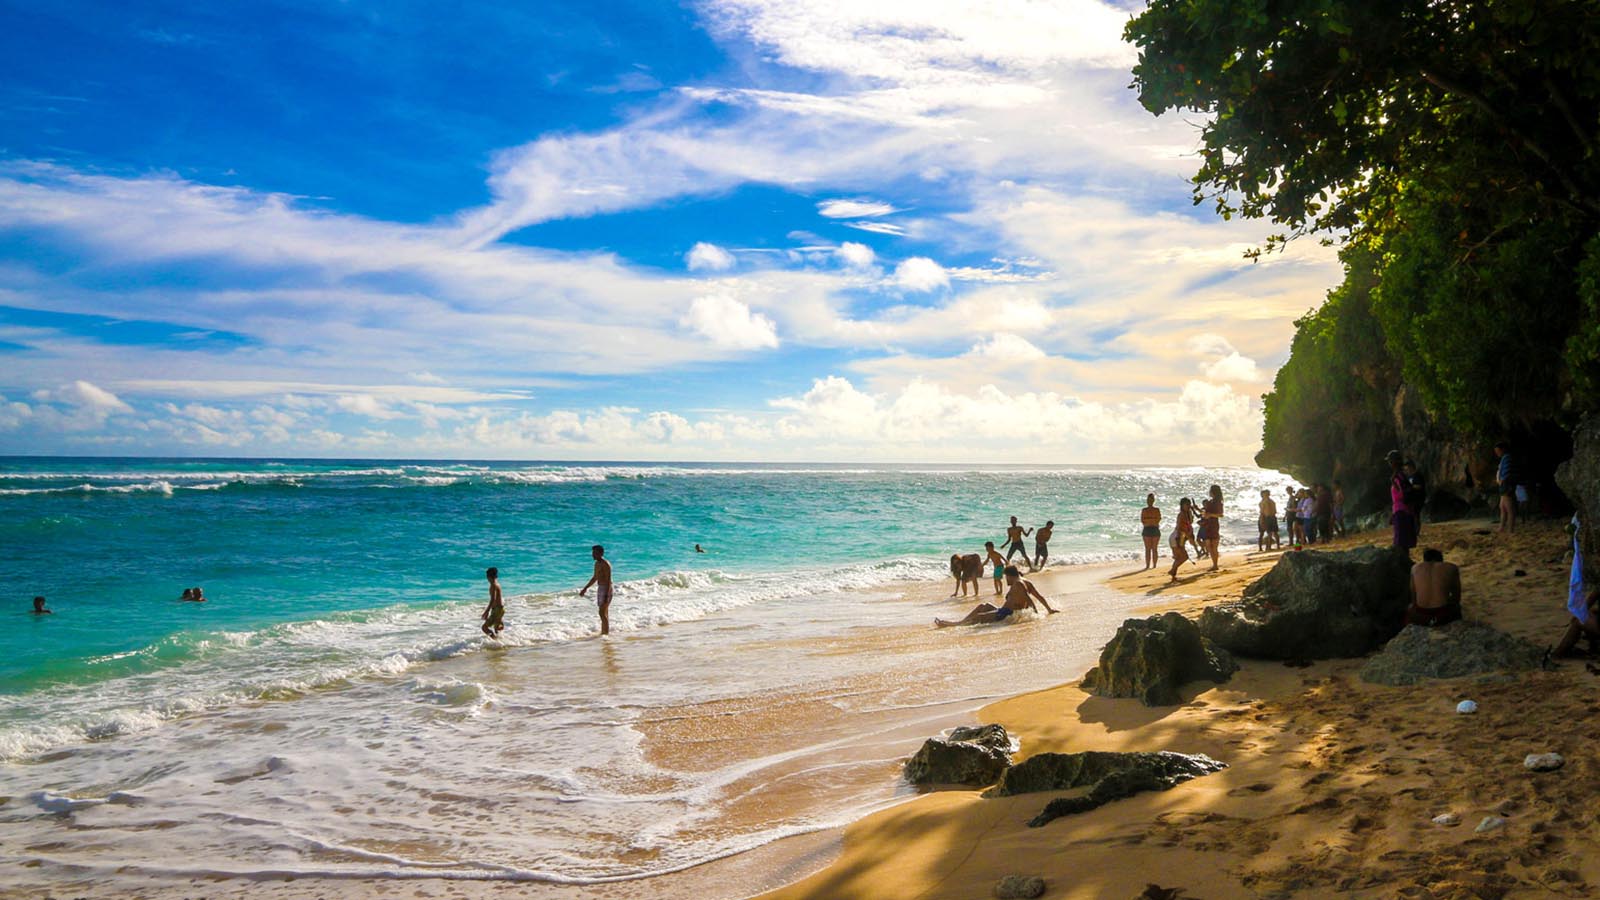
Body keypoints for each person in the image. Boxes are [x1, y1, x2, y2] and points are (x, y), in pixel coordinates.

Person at [935, 566, 1058, 627]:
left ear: (1010, 576)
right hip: (1002, 610)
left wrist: (1035, 615)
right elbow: (1039, 596)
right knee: (983, 606)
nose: (1006, 580)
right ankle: (959, 622)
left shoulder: (1018, 584)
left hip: (1006, 614)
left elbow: (1029, 599)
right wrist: (1049, 609)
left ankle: (955, 625)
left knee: (979, 616)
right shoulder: (1026, 581)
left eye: (1006, 577)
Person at [1405, 548, 1462, 626]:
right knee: (1457, 608)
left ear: (1425, 560)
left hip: (1421, 614)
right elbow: (1456, 596)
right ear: (1441, 559)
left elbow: (1413, 597)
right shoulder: (1451, 567)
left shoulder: (1415, 568)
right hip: (1442, 613)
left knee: (1409, 609)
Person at [1388, 451, 1417, 556]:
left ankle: (1402, 565)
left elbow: (1400, 495)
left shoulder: (1397, 477)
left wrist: (1393, 483)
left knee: (1400, 542)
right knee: (1404, 542)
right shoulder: (1403, 475)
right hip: (1406, 510)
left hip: (1400, 512)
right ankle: (1404, 563)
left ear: (1392, 463)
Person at [579, 545, 613, 636]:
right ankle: (604, 633)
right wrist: (585, 588)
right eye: (593, 553)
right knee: (604, 612)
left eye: (595, 553)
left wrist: (606, 594)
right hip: (600, 588)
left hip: (606, 588)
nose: (593, 555)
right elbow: (595, 578)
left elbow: (609, 580)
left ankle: (605, 634)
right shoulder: (597, 564)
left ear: (601, 553)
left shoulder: (606, 564)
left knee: (602, 612)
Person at [1168, 498, 1194, 582]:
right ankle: (1172, 571)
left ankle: (1173, 575)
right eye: (1186, 505)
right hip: (1177, 536)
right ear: (1182, 505)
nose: (1188, 506)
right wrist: (1181, 540)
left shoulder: (1187, 514)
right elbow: (1180, 528)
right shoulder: (1181, 515)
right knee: (1183, 557)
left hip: (1180, 536)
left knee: (1179, 557)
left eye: (1189, 505)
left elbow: (1190, 523)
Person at [1494, 442, 1517, 534]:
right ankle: (1502, 527)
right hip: (1503, 485)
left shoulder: (1507, 458)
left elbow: (1507, 471)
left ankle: (1510, 529)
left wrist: (1502, 480)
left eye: (1498, 451)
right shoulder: (1504, 458)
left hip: (1506, 485)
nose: (1497, 453)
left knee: (1509, 507)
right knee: (1502, 507)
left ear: (1503, 449)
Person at [1199, 485, 1223, 571]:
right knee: (1209, 544)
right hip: (1207, 524)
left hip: (1213, 524)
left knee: (1213, 545)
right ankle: (1214, 563)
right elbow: (1205, 512)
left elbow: (1221, 514)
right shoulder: (1211, 502)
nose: (1209, 492)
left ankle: (1215, 565)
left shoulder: (1218, 502)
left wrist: (1210, 515)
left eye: (1211, 491)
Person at [1403, 461, 1427, 539]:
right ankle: (1413, 531)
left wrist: (1410, 487)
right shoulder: (1410, 476)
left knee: (1416, 515)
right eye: (1405, 469)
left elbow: (1420, 486)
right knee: (1413, 515)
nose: (1406, 471)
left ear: (1411, 467)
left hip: (1418, 499)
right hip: (1412, 499)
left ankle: (1416, 532)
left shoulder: (1418, 475)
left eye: (1407, 469)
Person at [481, 567, 505, 637]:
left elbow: (492, 599)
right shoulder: (497, 584)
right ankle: (500, 642)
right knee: (497, 629)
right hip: (499, 609)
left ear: (488, 576)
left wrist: (486, 611)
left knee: (484, 628)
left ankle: (494, 640)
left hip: (497, 610)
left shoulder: (493, 585)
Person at [1140, 495, 1162, 570]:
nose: (1149, 502)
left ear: (1153, 501)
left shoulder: (1156, 510)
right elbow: (1143, 520)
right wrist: (1151, 520)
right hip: (1147, 529)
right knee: (1148, 549)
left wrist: (1149, 520)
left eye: (1151, 500)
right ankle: (1147, 565)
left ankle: (1154, 565)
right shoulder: (1144, 510)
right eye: (1148, 500)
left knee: (1154, 549)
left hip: (1154, 529)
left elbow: (1158, 519)